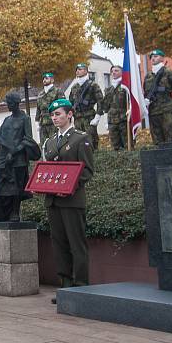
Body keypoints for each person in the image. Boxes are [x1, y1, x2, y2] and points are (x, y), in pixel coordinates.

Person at [42, 99, 94, 304]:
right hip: (53, 201)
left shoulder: (81, 138)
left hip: (72, 201)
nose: (55, 118)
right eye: (53, 115)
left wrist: (68, 187)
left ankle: (81, 287)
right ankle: (65, 286)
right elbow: (46, 171)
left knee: (76, 244)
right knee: (59, 245)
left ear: (70, 114)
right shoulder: (50, 142)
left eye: (59, 114)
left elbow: (87, 170)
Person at [0, 91, 40, 222]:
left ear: (16, 104)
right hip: (3, 156)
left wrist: (14, 151)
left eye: (10, 104)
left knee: (17, 187)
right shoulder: (7, 119)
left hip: (18, 158)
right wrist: (6, 146)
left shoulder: (25, 119)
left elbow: (28, 139)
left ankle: (14, 212)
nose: (8, 106)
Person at [142, 49, 172, 145]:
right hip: (153, 111)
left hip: (167, 110)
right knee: (157, 139)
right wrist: (144, 103)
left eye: (156, 56)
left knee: (170, 136)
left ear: (162, 58)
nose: (153, 58)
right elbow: (146, 92)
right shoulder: (148, 76)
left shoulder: (169, 72)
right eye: (151, 57)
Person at [68, 63, 104, 150]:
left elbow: (100, 101)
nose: (78, 71)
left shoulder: (92, 85)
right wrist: (70, 117)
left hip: (89, 118)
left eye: (80, 69)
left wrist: (97, 117)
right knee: (79, 142)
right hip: (77, 118)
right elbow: (70, 102)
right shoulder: (74, 87)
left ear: (86, 71)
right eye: (77, 69)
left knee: (91, 141)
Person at [100, 65, 129, 151]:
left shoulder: (126, 86)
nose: (113, 73)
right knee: (115, 146)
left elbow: (131, 101)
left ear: (122, 72)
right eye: (112, 71)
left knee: (127, 144)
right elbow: (105, 106)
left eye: (116, 70)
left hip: (124, 119)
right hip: (112, 120)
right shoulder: (109, 88)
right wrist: (106, 120)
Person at [35, 72, 65, 144]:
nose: (44, 80)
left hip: (54, 123)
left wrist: (62, 121)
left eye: (46, 78)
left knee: (55, 144)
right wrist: (37, 121)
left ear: (52, 80)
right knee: (44, 145)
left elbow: (63, 106)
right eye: (43, 78)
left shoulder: (57, 91)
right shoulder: (40, 94)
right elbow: (38, 109)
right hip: (43, 124)